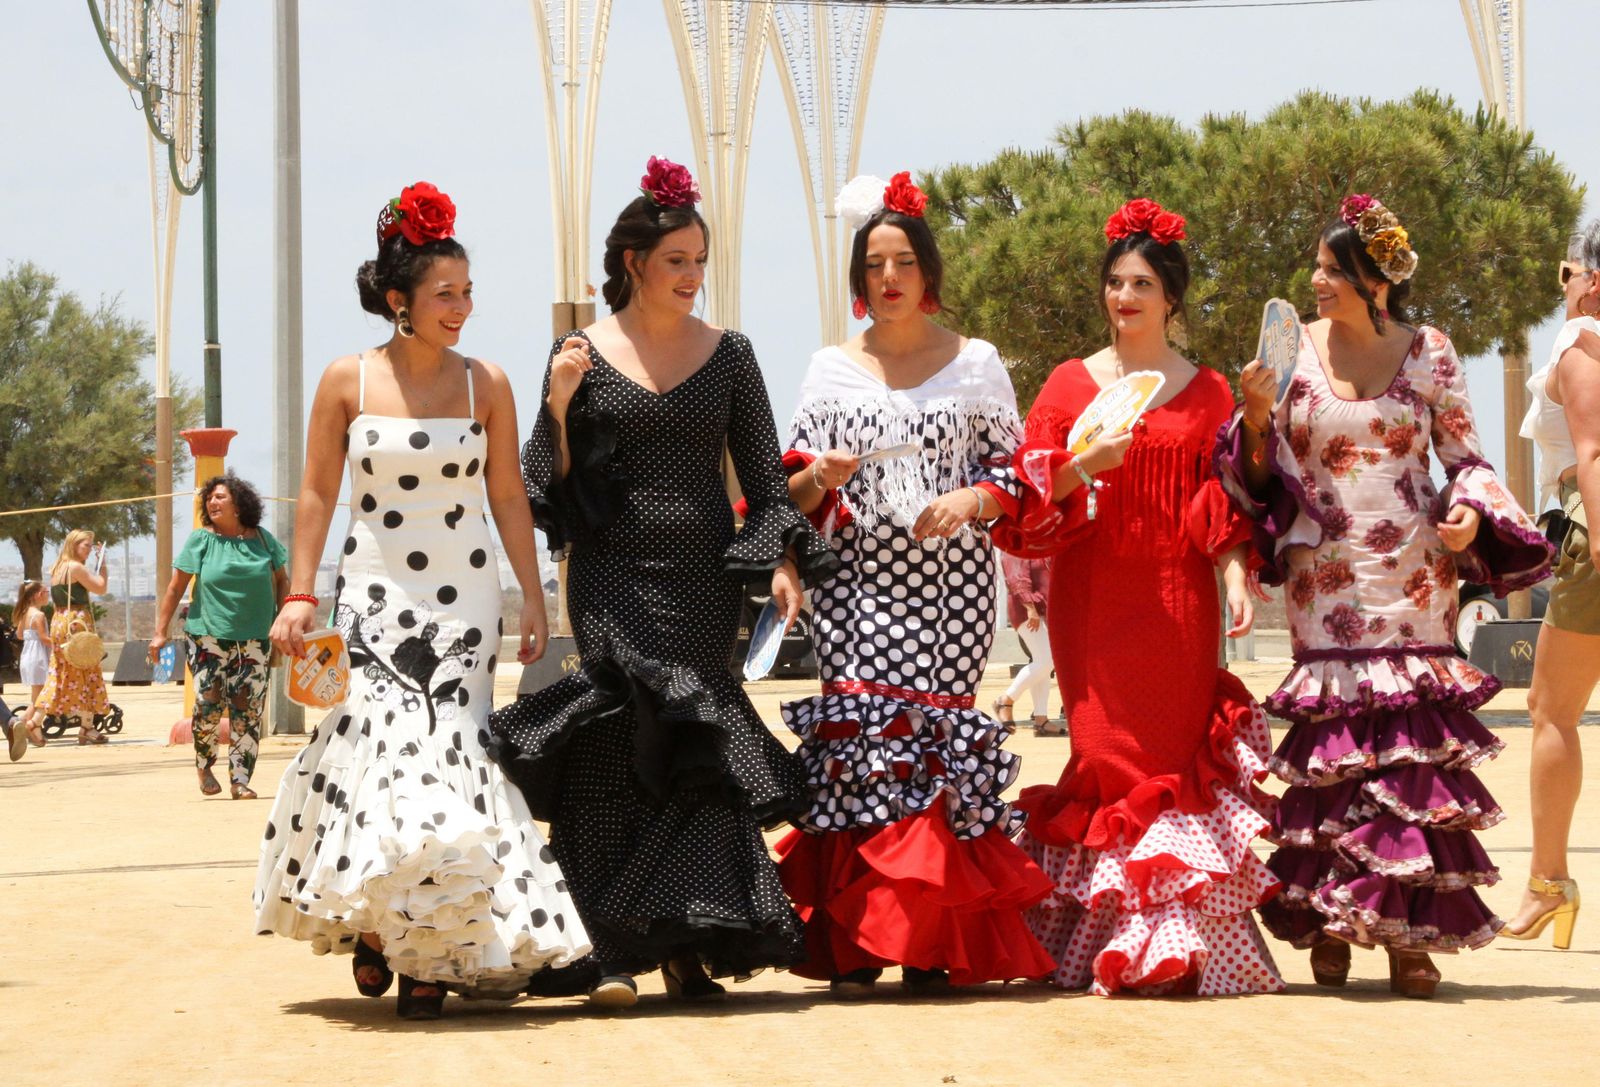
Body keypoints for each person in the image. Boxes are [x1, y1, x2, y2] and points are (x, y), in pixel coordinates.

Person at [488, 157, 838, 1008]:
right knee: (615, 736)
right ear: (634, 262)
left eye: (699, 262)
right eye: (675, 259)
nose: (690, 276)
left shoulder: (731, 355)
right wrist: (563, 405)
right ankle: (605, 949)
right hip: (607, 574)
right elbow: (547, 482)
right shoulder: (577, 355)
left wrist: (784, 563)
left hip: (703, 582)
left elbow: (761, 476)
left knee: (692, 749)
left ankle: (688, 947)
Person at [254, 182, 589, 1019]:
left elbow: (508, 494)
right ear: (398, 300)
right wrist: (300, 592)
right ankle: (381, 926)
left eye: (468, 292)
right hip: (372, 593)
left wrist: (534, 593)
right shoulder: (347, 381)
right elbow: (316, 495)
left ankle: (425, 950)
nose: (462, 307)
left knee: (448, 760)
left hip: (465, 601)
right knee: (379, 758)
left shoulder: (489, 384)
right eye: (446, 293)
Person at [1223, 194, 1552, 996]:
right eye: (1317, 266)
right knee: (1338, 755)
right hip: (1323, 580)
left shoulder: (1431, 350)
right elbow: (1254, 476)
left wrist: (1470, 512)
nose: (1317, 280)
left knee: (1408, 756)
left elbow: (1465, 455)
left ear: (1377, 282)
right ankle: (1333, 924)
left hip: (1414, 574)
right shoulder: (1287, 348)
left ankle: (1408, 934)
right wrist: (1257, 418)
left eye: (1333, 269)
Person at [770, 172, 1054, 998]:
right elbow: (786, 482)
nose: (888, 278)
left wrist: (973, 497)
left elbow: (1016, 465)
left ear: (928, 272)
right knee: (862, 744)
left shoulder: (977, 364)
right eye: (874, 265)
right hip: (856, 583)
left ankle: (930, 941)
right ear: (859, 281)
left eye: (902, 262)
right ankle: (856, 945)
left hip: (954, 588)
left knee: (931, 754)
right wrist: (820, 476)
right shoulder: (829, 369)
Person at [993, 198, 1282, 996]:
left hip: (1178, 605)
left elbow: (1221, 502)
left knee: (1171, 764)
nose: (1125, 298)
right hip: (1093, 598)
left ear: (1172, 298)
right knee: (1102, 757)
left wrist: (1233, 581)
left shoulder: (1210, 391)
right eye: (1115, 283)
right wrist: (1087, 462)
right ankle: (1109, 944)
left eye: (1142, 284)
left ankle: (1182, 948)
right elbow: (1029, 490)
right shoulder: (1067, 383)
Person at [1503, 219, 1600, 947]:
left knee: (1552, 711)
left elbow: (1593, 452)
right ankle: (1547, 882)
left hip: (1591, 525)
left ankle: (1548, 883)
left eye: (1569, 270)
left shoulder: (1579, 344)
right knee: (1546, 705)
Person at [149, 473, 288, 798]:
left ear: (239, 504)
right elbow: (175, 588)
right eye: (209, 498)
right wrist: (159, 633)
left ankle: (240, 780)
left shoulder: (265, 541)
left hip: (256, 639)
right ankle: (204, 764)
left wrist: (284, 618)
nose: (212, 502)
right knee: (208, 705)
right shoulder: (201, 540)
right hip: (207, 637)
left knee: (248, 709)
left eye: (220, 497)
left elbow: (283, 581)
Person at [36, 530, 111, 745]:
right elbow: (101, 588)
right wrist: (103, 565)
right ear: (74, 545)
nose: (89, 549)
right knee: (88, 671)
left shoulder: (58, 568)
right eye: (86, 545)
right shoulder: (76, 567)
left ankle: (37, 720)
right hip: (76, 622)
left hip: (60, 620)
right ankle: (86, 726)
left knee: (61, 674)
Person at [997, 553, 1060, 735]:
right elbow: (1016, 575)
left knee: (1042, 662)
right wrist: (1030, 607)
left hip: (1042, 610)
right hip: (1027, 610)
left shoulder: (1041, 541)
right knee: (1047, 660)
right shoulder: (1017, 541)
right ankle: (1006, 699)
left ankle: (1041, 720)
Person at [9, 581, 51, 755]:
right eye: (45, 591)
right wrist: (63, 644)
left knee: (36, 697)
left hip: (28, 655)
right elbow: (44, 638)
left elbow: (19, 634)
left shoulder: (25, 614)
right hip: (39, 657)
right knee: (42, 697)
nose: (48, 594)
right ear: (37, 595)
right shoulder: (39, 615)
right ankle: (25, 726)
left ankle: (21, 726)